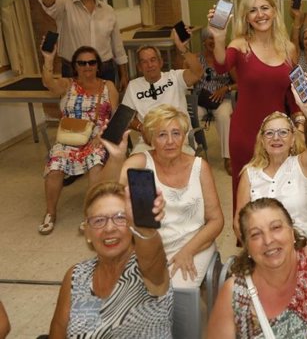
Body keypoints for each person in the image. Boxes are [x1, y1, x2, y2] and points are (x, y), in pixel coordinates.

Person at [207, 147, 307, 338]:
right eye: (256, 234)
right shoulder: (234, 294)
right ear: (247, 246)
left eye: (276, 227)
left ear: (292, 232)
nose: (268, 240)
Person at [49, 129, 172, 337]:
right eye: (98, 220)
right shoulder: (76, 276)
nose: (109, 228)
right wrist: (115, 161)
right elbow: (58, 332)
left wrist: (144, 227)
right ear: (86, 231)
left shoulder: (147, 271)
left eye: (120, 218)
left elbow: (152, 259)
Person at [209, 0, 304, 219]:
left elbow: (294, 95)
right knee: (246, 195)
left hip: (278, 135)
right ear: (246, 17)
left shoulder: (289, 49)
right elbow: (221, 66)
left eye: (264, 7)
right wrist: (219, 38)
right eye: (253, 10)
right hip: (245, 134)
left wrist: (300, 125)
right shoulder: (240, 46)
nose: (260, 14)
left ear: (274, 11)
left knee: (279, 191)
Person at [120, 105, 224, 288]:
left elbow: (216, 221)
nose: (170, 141)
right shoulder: (139, 163)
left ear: (184, 136)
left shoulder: (200, 167)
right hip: (150, 246)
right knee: (130, 288)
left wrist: (188, 251)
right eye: (162, 135)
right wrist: (115, 158)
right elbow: (106, 193)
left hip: (194, 244)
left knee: (176, 289)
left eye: (176, 133)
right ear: (151, 138)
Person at [39, 44, 118, 235]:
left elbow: (116, 117)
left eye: (91, 62)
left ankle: (91, 214)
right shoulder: (68, 84)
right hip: (69, 138)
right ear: (75, 66)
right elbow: (49, 83)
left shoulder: (108, 86)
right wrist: (48, 60)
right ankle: (50, 213)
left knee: (95, 163)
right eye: (82, 63)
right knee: (55, 165)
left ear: (98, 66)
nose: (87, 66)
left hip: (98, 138)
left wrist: (104, 137)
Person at [234, 83, 307, 242]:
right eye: (269, 133)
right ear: (262, 141)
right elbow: (238, 223)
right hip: (264, 248)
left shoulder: (303, 165)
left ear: (293, 139)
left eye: (283, 132)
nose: (276, 138)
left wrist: (306, 108)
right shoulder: (249, 174)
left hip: (302, 246)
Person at [39, 0, 129, 91]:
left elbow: (117, 46)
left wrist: (123, 74)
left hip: (104, 70)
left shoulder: (108, 10)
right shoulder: (65, 3)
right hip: (74, 71)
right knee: (77, 109)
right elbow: (47, 3)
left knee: (106, 109)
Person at [122, 35, 203, 153]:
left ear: (160, 62)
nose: (149, 65)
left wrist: (183, 48)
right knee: (133, 168)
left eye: (153, 60)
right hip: (150, 142)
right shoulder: (133, 86)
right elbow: (125, 117)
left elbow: (198, 72)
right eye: (144, 62)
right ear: (139, 67)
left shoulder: (175, 77)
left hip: (178, 139)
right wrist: (141, 127)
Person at [195, 28, 235, 175]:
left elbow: (241, 82)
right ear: (204, 41)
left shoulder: (226, 59)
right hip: (202, 99)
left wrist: (225, 88)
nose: (212, 42)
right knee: (189, 116)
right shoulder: (197, 59)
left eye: (214, 39)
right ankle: (194, 152)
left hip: (222, 98)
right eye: (209, 39)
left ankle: (228, 157)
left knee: (224, 116)